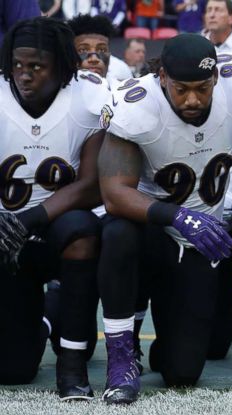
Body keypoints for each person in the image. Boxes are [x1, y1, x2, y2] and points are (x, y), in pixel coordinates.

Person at [97, 33, 232, 404]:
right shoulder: (137, 105)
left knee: (183, 372)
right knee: (117, 233)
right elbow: (114, 194)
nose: (193, 99)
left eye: (202, 88)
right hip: (153, 233)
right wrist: (177, 216)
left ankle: (167, 339)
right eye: (181, 89)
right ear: (162, 78)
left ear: (216, 80)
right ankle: (121, 358)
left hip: (200, 242)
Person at [0, 17, 107, 401]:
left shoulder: (88, 96)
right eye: (16, 65)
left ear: (62, 67)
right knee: (13, 370)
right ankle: (44, 318)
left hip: (56, 229)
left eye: (35, 67)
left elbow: (93, 186)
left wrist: (27, 219)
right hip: (4, 238)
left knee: (83, 230)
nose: (23, 75)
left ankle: (72, 367)